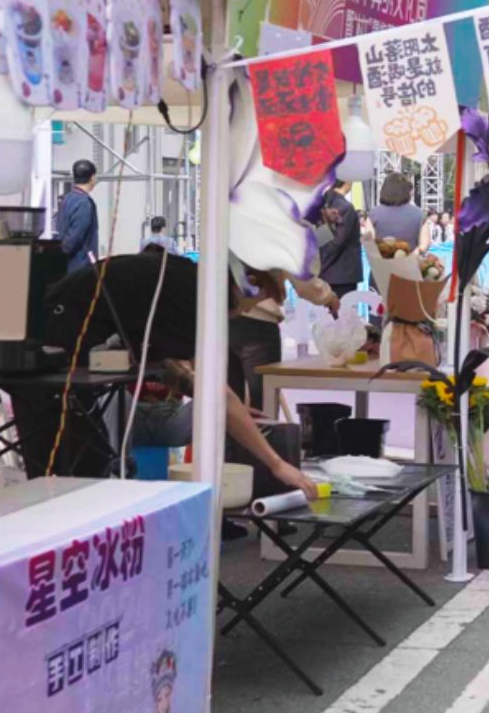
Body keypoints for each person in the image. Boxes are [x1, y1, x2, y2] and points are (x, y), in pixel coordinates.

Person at [44, 249, 317, 497]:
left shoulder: (185, 284)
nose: (249, 310)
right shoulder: (194, 297)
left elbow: (176, 369)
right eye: (262, 298)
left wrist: (238, 413)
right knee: (76, 463)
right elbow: (214, 392)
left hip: (64, 317)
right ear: (250, 283)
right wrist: (277, 464)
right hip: (59, 328)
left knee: (79, 461)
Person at [229, 271, 340, 410]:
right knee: (263, 406)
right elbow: (302, 277)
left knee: (227, 407)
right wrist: (328, 297)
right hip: (258, 323)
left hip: (221, 320)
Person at [319, 180, 363, 298]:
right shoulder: (346, 207)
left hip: (325, 274)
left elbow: (323, 240)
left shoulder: (324, 203)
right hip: (342, 276)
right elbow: (338, 242)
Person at [57, 159, 99, 273]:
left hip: (67, 266)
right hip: (80, 267)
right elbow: (75, 236)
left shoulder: (67, 199)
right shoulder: (84, 203)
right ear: (92, 178)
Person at [366, 172, 423, 251]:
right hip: (411, 257)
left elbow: (369, 242)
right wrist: (415, 253)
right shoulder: (419, 214)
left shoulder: (373, 214)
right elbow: (425, 243)